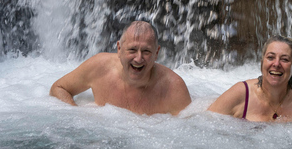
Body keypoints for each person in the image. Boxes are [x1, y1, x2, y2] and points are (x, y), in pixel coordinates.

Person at [50, 21, 191, 115]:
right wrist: (77, 118)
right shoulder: (99, 67)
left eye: (146, 51)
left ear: (156, 53)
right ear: (119, 48)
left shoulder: (173, 88)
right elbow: (59, 88)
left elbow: (187, 131)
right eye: (132, 50)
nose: (138, 58)